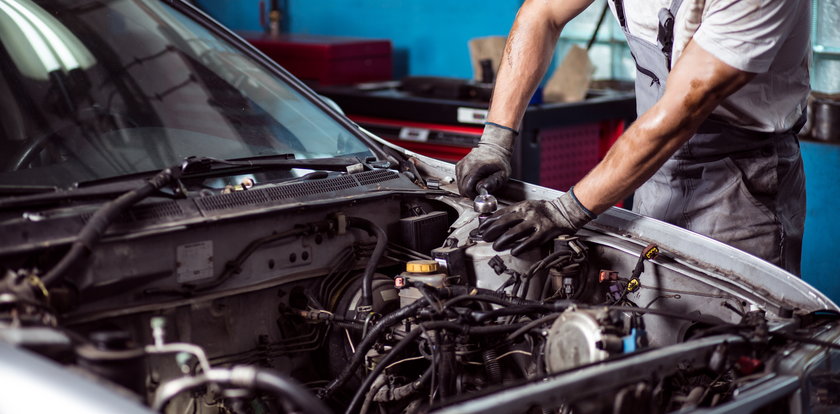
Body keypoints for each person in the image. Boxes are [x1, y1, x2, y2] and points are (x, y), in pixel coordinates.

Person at [456, 0, 809, 274]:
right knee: (645, 312)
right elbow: (543, 13)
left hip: (739, 187)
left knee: (730, 341)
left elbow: (682, 111)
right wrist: (494, 141)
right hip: (652, 167)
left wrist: (565, 211)